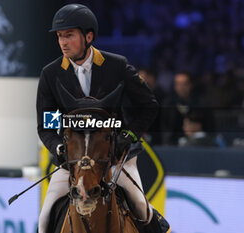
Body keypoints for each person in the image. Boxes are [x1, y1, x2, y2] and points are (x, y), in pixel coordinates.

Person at [36, 4, 161, 233]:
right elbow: (48, 127)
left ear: (89, 36)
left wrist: (128, 135)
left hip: (113, 160)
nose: (63, 42)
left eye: (69, 35)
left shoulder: (117, 67)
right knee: (44, 220)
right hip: (72, 163)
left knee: (141, 207)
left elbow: (148, 106)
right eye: (60, 37)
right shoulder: (51, 75)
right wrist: (61, 148)